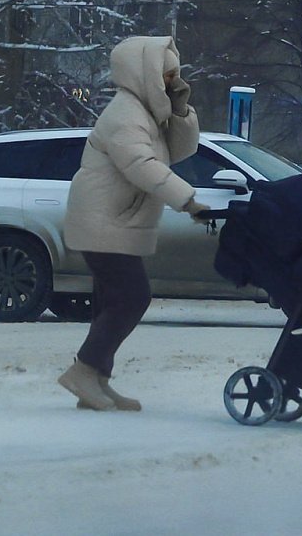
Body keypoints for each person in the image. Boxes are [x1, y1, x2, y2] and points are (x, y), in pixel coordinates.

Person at [57, 36, 209, 411]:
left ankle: (95, 382)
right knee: (132, 297)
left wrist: (180, 110)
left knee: (112, 300)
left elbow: (179, 150)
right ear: (145, 75)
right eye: (167, 75)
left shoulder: (145, 114)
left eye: (176, 74)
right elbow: (142, 166)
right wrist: (187, 201)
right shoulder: (125, 115)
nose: (173, 80)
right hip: (104, 220)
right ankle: (84, 372)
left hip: (115, 219)